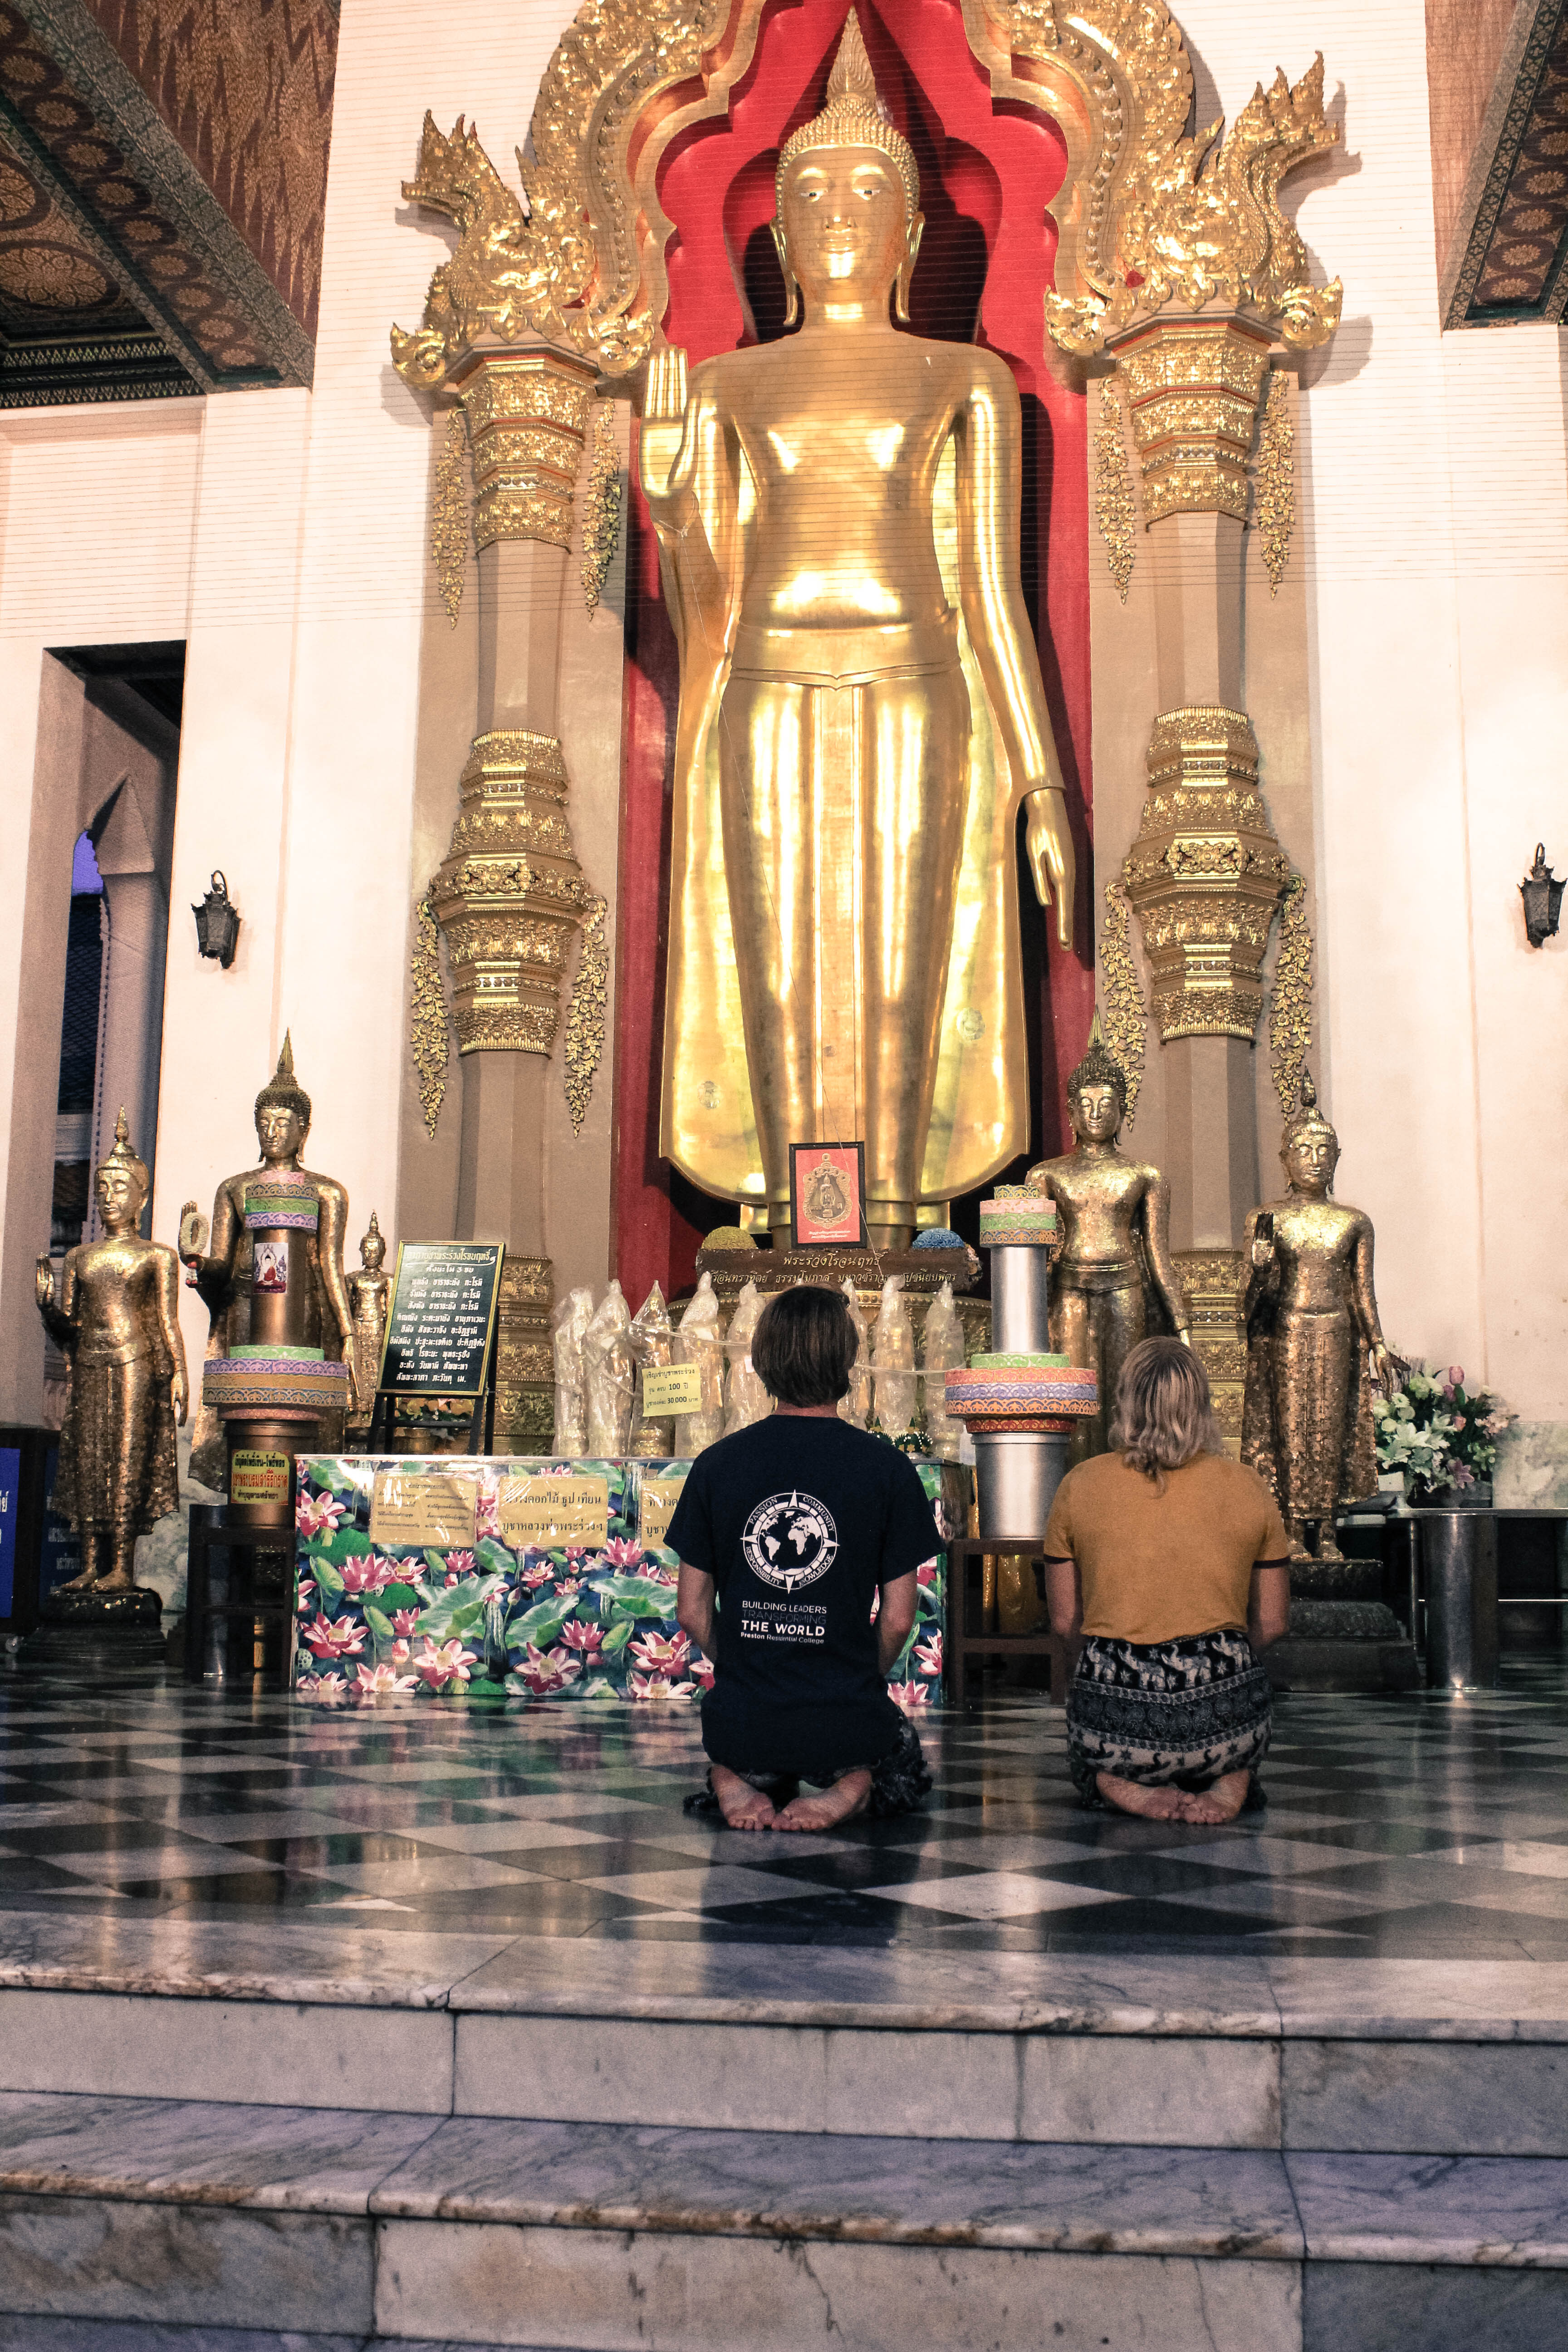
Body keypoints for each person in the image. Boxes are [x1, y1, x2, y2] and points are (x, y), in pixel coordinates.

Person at [671, 1284, 939, 1832]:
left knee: (743, 1748)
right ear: (846, 1359)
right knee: (900, 1761)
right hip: (844, 1716)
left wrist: (746, 1668)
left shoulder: (717, 1466)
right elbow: (899, 1617)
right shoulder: (887, 1469)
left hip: (744, 1718)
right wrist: (860, 1677)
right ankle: (852, 1784)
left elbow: (691, 1613)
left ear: (762, 1359)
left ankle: (732, 1775)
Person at [1043, 1337, 1290, 1826]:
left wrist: (1106, 1672)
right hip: (1224, 1714)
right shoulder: (1249, 1485)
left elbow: (1065, 1621)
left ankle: (1116, 1779)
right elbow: (1275, 1622)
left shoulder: (1080, 1484)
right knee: (1239, 1727)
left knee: (1088, 1753)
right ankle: (1232, 1773)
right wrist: (1224, 1664)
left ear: (1126, 1401)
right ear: (1202, 1403)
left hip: (1117, 1720)